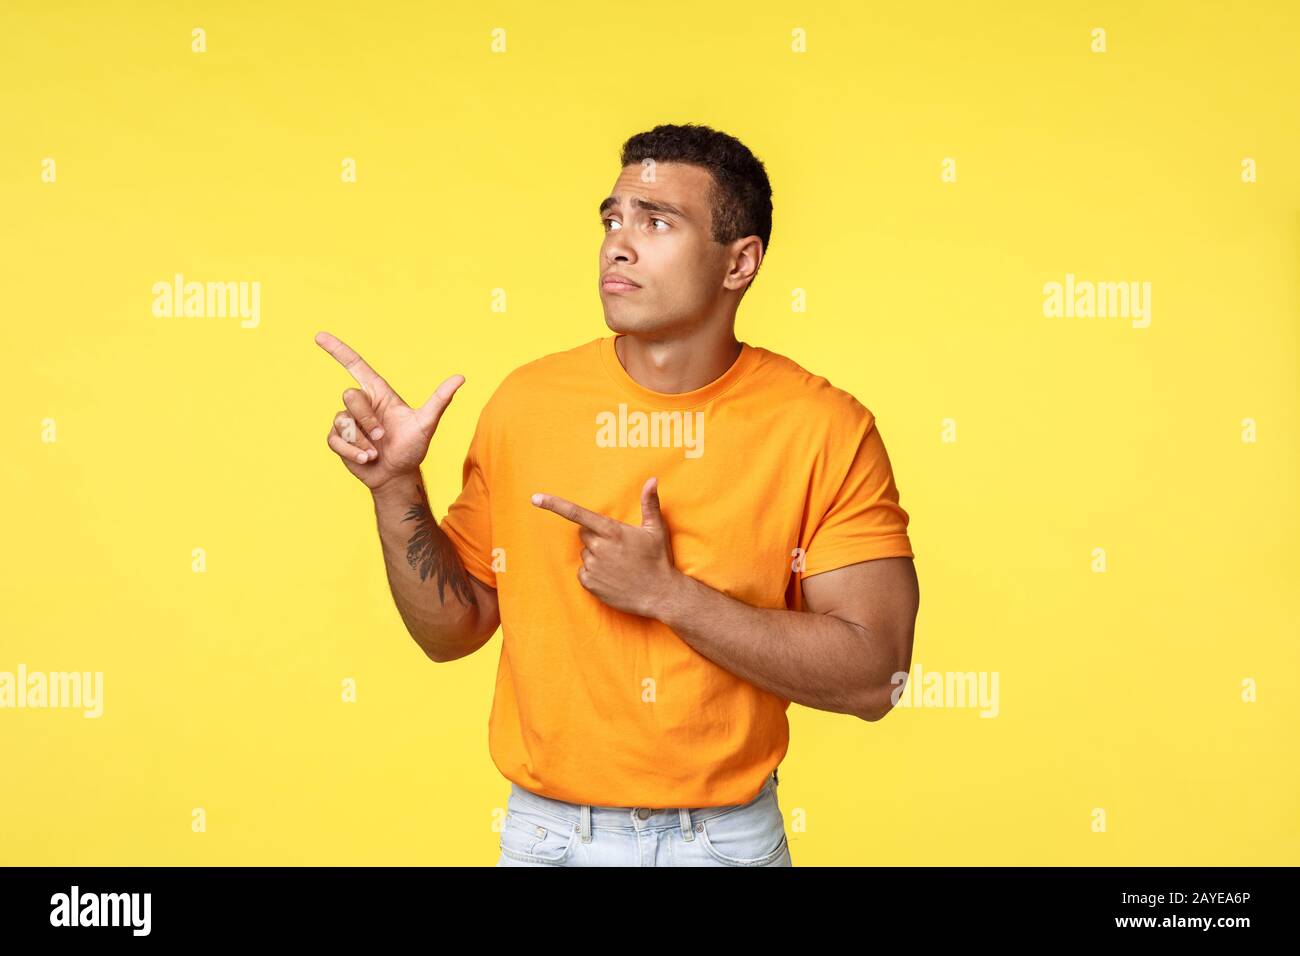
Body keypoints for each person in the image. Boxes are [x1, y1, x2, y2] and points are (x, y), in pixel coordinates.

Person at [315, 123, 920, 866]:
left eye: (656, 221)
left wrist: (672, 596)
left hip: (724, 843)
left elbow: (874, 677)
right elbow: (453, 630)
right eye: (612, 219)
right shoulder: (527, 404)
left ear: (741, 262)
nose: (617, 244)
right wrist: (394, 486)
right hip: (548, 840)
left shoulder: (825, 429)